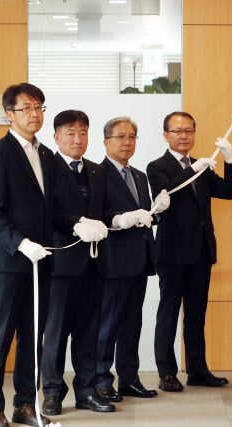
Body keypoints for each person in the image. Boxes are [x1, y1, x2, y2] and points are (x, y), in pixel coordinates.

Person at [147, 111, 232, 392]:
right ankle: (167, 372)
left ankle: (198, 370)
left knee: (197, 314)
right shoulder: (157, 166)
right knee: (169, 313)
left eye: (189, 131)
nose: (184, 136)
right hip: (172, 253)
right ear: (166, 135)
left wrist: (230, 160)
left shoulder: (203, 166)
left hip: (201, 251)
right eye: (177, 131)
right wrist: (193, 169)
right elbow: (169, 191)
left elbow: (228, 192)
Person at [0, 83, 54, 427]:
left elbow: (52, 207)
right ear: (9, 114)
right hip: (10, 260)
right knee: (0, 338)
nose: (35, 114)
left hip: (42, 261)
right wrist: (21, 242)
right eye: (27, 108)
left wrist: (80, 223)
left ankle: (25, 404)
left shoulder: (46, 154)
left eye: (39, 107)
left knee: (33, 336)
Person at [40, 110, 113, 416]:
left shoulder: (96, 170)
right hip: (61, 264)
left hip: (94, 264)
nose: (77, 139)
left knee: (88, 333)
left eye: (83, 132)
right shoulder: (47, 168)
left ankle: (87, 391)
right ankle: (52, 392)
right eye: (70, 133)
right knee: (56, 334)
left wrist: (119, 219)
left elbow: (104, 212)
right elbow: (46, 212)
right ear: (56, 137)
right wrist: (75, 223)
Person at [94, 116, 170, 402]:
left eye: (131, 137)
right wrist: (120, 218)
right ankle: (102, 380)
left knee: (131, 323)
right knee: (108, 324)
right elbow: (97, 214)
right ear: (106, 142)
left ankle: (129, 379)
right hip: (113, 261)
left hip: (140, 259)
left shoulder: (139, 175)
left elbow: (144, 216)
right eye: (120, 137)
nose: (127, 142)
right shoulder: (97, 173)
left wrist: (157, 211)